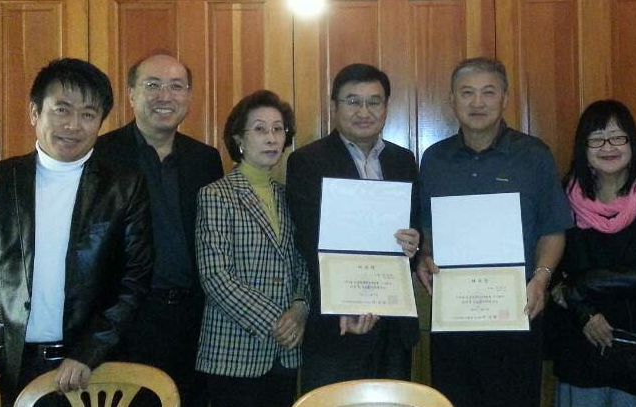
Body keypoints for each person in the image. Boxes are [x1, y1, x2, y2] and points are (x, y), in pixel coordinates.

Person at [0, 58, 152, 405]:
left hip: (87, 369)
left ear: (100, 122)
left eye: (88, 114)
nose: (73, 125)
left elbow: (135, 279)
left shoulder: (124, 188)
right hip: (4, 367)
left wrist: (91, 349)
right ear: (34, 113)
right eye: (61, 110)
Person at [416, 57, 572, 407]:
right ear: (452, 99)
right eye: (466, 93)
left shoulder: (534, 155)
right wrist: (425, 256)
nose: (477, 102)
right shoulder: (434, 159)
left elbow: (553, 228)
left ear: (505, 98)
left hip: (517, 308)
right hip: (454, 314)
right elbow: (426, 227)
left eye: (488, 92)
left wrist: (541, 280)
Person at [94, 52, 223, 407]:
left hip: (194, 321)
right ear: (131, 94)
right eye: (152, 85)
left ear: (188, 96)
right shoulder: (101, 155)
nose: (165, 96)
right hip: (125, 320)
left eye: (176, 86)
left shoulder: (205, 159)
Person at [286, 63, 422, 392]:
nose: (364, 111)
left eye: (374, 101)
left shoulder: (403, 161)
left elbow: (415, 229)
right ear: (334, 106)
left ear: (386, 107)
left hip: (393, 325)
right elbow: (308, 241)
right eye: (352, 101)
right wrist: (345, 302)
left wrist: (415, 242)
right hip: (337, 323)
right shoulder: (307, 161)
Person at [546, 100, 636, 407]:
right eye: (597, 139)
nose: (608, 147)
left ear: (633, 142)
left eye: (618, 137)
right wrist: (584, 312)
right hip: (579, 340)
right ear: (583, 147)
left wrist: (578, 287)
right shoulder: (563, 195)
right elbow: (551, 267)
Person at [193, 90, 309, 407]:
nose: (271, 138)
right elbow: (215, 276)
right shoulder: (216, 195)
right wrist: (277, 321)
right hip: (234, 350)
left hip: (286, 351)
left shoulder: (288, 196)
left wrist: (300, 309)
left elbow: (302, 263)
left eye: (278, 129)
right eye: (259, 129)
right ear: (239, 139)